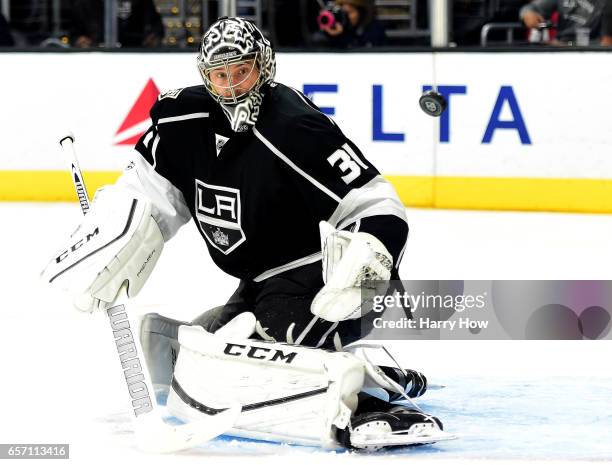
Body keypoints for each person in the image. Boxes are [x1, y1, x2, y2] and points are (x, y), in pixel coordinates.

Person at [42, 17, 447, 449]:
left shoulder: (294, 126)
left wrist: (370, 258)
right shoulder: (182, 120)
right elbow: (147, 188)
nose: (232, 85)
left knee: (275, 334)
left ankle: (367, 395)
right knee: (195, 350)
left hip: (326, 284)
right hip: (259, 282)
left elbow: (375, 201)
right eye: (220, 74)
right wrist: (114, 234)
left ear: (265, 67)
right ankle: (382, 372)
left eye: (242, 70)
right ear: (206, 76)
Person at [70, 0, 164, 47]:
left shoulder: (140, 1)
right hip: (96, 55)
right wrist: (79, 40)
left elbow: (156, 27)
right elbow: (74, 33)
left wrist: (154, 37)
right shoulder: (85, 3)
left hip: (134, 54)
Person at [520, 0, 607, 44]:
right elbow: (532, 7)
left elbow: (607, 41)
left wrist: (569, 45)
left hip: (594, 51)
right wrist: (528, 13)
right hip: (560, 49)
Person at [316, 0, 386, 48]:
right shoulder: (330, 30)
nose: (345, 17)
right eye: (341, 13)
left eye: (349, 13)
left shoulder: (374, 30)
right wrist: (334, 36)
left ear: (360, 12)